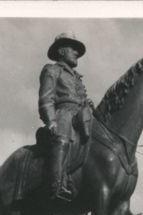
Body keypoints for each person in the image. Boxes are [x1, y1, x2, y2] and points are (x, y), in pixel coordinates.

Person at [38, 33, 93, 202]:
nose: (76, 53)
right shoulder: (52, 70)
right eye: (72, 49)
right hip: (64, 115)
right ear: (61, 51)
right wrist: (51, 120)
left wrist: (87, 103)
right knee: (62, 140)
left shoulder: (77, 77)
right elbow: (46, 98)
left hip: (81, 115)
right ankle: (57, 184)